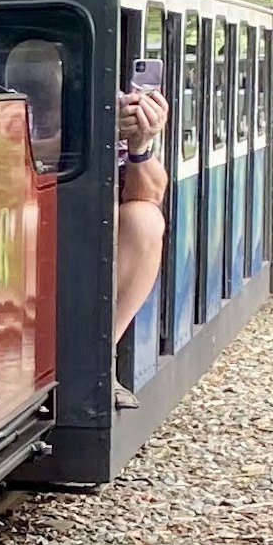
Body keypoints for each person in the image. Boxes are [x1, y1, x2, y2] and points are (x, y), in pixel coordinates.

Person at [112, 57, 168, 407]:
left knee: (144, 219)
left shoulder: (114, 105)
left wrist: (139, 147)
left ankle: (99, 356)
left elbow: (150, 194)